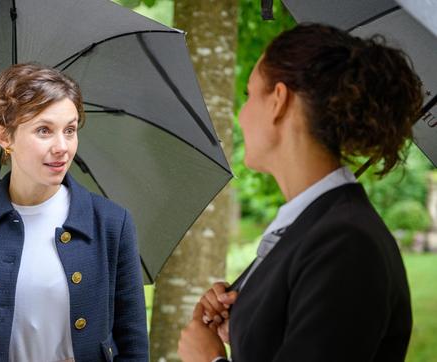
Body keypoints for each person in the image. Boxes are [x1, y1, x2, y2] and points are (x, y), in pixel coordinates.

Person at [178, 23, 423, 362]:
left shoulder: (346, 243)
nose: (241, 115)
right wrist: (247, 321)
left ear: (278, 100)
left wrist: (209, 360)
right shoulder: (315, 225)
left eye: (249, 95)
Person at [0, 63, 149, 361]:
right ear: (4, 137)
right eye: (44, 130)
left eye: (70, 130)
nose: (62, 147)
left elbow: (133, 344)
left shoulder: (111, 222)